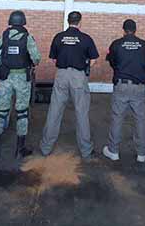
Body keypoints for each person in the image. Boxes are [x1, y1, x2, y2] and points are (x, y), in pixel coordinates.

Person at [40, 11, 100, 159]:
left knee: (54, 111)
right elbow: (93, 60)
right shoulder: (86, 38)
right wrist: (84, 67)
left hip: (61, 75)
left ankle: (46, 148)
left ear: (68, 21)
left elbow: (54, 59)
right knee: (81, 112)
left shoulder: (59, 37)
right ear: (80, 22)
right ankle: (86, 150)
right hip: (78, 76)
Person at [0, 10, 41, 159]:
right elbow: (36, 58)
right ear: (23, 22)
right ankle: (19, 150)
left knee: (1, 111)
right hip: (22, 79)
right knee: (22, 112)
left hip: (5, 78)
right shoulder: (28, 37)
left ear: (10, 21)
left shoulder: (3, 37)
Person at [103, 19, 145, 163]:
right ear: (135, 30)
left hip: (121, 85)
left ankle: (113, 151)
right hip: (139, 86)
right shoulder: (143, 44)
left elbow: (112, 62)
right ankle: (141, 153)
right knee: (140, 119)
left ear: (123, 30)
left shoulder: (116, 44)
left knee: (117, 117)